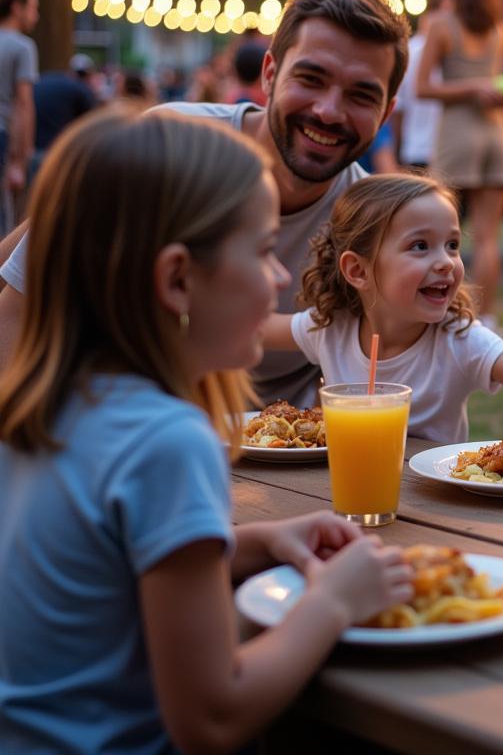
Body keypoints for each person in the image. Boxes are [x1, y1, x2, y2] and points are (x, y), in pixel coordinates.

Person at [0, 106, 412, 754]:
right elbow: (213, 718)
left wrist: (261, 540)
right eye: (262, 250)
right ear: (176, 279)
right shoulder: (166, 441)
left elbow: (109, 569)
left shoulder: (43, 405)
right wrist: (333, 601)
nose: (282, 280)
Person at [0, 0, 410, 408]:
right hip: (117, 426)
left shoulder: (373, 223)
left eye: (361, 95)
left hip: (282, 457)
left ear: (387, 112)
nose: (328, 111)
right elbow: (20, 307)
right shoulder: (167, 141)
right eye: (310, 79)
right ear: (269, 75)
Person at [262, 171, 503, 443]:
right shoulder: (330, 328)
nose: (446, 262)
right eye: (420, 246)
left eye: (451, 245)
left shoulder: (459, 339)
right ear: (358, 270)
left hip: (436, 508)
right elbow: (258, 329)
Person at [416, 0, 503, 337]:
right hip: (498, 133)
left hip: (458, 133)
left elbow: (424, 87)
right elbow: (497, 82)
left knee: (440, 229)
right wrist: (486, 87)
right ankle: (486, 319)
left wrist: (471, 86)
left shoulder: (442, 25)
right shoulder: (500, 29)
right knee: (489, 236)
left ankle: (445, 314)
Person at [0, 0, 40, 234]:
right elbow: (23, 102)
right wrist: (20, 159)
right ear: (17, 7)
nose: (36, 17)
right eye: (33, 8)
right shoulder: (23, 46)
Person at [392, 0, 443, 169]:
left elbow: (398, 109)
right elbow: (397, 109)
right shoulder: (412, 52)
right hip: (420, 151)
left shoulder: (410, 51)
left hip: (422, 150)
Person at [28, 53, 98, 183]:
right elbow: (94, 124)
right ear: (89, 76)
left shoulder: (48, 79)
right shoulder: (81, 89)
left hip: (31, 149)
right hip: (54, 153)